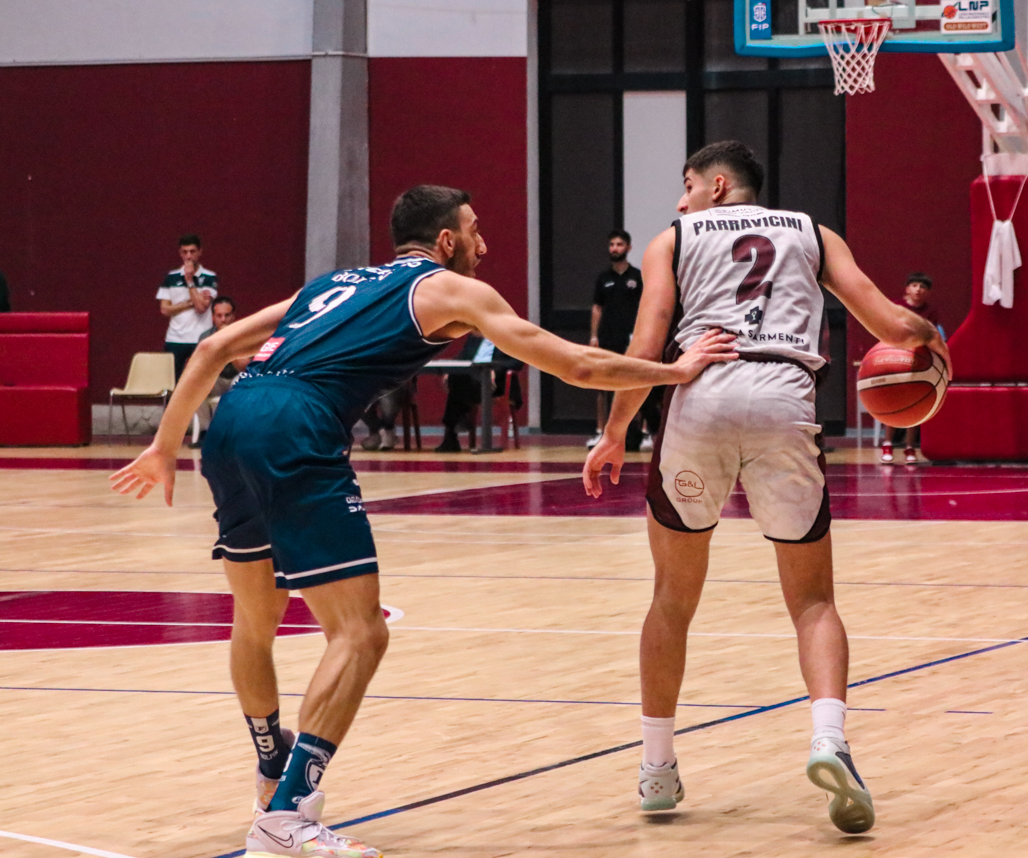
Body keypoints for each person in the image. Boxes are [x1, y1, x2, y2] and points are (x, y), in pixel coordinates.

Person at [110, 185, 737, 858]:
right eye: (475, 230)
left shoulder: (332, 284)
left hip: (233, 422)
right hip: (296, 427)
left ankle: (270, 767)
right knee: (361, 633)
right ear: (445, 241)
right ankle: (285, 816)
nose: (483, 245)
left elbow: (212, 349)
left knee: (255, 620)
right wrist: (675, 370)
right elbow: (578, 364)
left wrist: (165, 446)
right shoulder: (447, 290)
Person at [581, 142, 947, 835]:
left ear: (718, 186)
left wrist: (615, 432)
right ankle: (829, 740)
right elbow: (894, 326)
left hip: (702, 397)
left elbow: (646, 345)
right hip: (784, 397)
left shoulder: (673, 239)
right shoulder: (814, 232)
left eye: (687, 184)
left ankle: (656, 767)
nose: (681, 199)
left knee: (671, 599)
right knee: (813, 601)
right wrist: (936, 345)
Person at [589, 230, 660, 451]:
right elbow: (597, 308)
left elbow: (646, 307)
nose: (615, 248)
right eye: (612, 244)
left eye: (619, 244)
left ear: (628, 248)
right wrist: (594, 336)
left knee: (638, 382)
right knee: (603, 384)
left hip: (632, 338)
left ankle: (645, 433)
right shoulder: (603, 278)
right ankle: (600, 431)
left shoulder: (637, 277)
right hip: (608, 337)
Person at [879, 272, 945, 465]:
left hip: (917, 359)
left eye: (923, 287)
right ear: (907, 289)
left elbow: (931, 336)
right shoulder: (896, 306)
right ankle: (887, 444)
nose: (918, 289)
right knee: (893, 404)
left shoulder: (930, 311)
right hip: (895, 356)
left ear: (928, 292)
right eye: (915, 285)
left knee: (914, 405)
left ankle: (910, 447)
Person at [434, 334, 524, 453]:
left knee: (457, 387)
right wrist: (451, 368)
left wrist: (495, 370)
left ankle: (454, 430)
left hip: (498, 384)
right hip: (472, 381)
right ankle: (458, 422)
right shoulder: (476, 335)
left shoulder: (509, 335)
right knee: (456, 378)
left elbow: (517, 362)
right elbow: (463, 356)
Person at [157, 234, 218, 379]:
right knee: (172, 381)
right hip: (175, 339)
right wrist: (190, 302)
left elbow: (201, 308)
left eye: (192, 251)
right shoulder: (171, 277)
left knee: (199, 380)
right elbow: (165, 309)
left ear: (199, 252)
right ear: (180, 253)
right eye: (185, 252)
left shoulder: (209, 277)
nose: (189, 256)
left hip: (200, 338)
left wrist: (189, 280)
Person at [193, 296, 251, 437]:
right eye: (219, 316)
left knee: (242, 380)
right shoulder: (206, 337)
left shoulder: (244, 334)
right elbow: (202, 366)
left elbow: (244, 366)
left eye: (227, 315)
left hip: (236, 378)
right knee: (197, 384)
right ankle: (205, 432)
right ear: (213, 317)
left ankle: (234, 433)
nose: (223, 320)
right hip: (215, 379)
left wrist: (228, 342)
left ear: (233, 316)